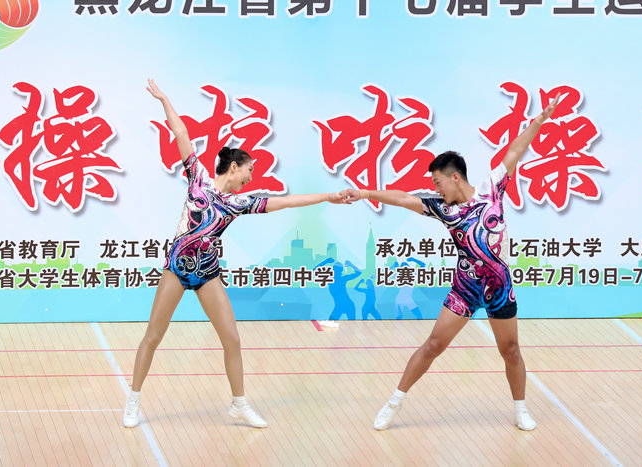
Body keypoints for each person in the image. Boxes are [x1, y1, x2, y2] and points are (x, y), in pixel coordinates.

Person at [123, 79, 347, 429]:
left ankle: (239, 405)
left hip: (207, 274)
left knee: (232, 339)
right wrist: (164, 98)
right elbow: (180, 131)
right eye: (249, 170)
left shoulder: (239, 203)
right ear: (234, 167)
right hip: (176, 269)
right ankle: (133, 402)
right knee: (153, 336)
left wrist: (327, 197)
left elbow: (287, 202)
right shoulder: (197, 178)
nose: (251, 177)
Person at [343, 94, 560, 431]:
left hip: (499, 287)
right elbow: (403, 198)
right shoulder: (442, 208)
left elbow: (516, 150)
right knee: (433, 345)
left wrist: (540, 120)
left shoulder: (491, 189)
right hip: (465, 288)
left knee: (511, 350)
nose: (435, 188)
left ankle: (520, 410)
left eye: (437, 182)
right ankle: (394, 402)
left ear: (454, 177)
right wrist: (367, 193)